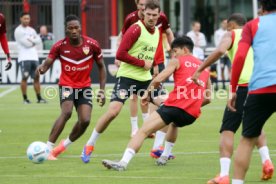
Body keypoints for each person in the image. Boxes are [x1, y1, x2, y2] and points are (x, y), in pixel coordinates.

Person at [101, 36, 211, 171]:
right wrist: (191, 104)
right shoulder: (205, 68)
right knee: (175, 123)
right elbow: (208, 98)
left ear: (185, 49)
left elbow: (159, 79)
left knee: (142, 131)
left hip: (174, 106)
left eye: (175, 51)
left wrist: (147, 94)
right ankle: (164, 156)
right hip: (191, 115)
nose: (174, 55)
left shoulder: (177, 61)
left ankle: (123, 163)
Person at [192, 13, 274, 184]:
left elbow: (221, 50)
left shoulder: (231, 34)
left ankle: (223, 175)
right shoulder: (257, 33)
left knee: (228, 129)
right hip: (261, 84)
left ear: (230, 25)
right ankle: (267, 161)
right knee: (254, 125)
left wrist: (200, 69)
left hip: (243, 87)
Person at [81, 0, 161, 164]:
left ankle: (160, 149)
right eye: (149, 14)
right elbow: (120, 54)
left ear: (159, 15)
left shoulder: (158, 32)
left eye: (155, 15)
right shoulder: (136, 28)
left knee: (168, 106)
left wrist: (154, 68)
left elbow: (152, 55)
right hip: (127, 78)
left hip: (145, 80)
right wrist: (142, 64)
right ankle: (89, 144)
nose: (151, 18)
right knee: (113, 112)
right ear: (143, 13)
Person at [37, 15, 107, 160]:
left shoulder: (92, 44)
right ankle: (47, 148)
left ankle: (63, 146)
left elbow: (101, 67)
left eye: (76, 27)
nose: (74, 30)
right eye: (71, 28)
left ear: (80, 28)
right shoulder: (59, 46)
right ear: (66, 30)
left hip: (84, 88)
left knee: (85, 121)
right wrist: (42, 69)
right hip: (67, 85)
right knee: (67, 112)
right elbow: (47, 63)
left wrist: (101, 91)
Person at [228, 1, 276, 183]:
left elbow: (239, 56)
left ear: (262, 9)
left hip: (260, 90)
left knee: (247, 140)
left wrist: (233, 89)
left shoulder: (253, 25)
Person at [14, 12, 46, 104]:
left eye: (28, 19)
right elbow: (27, 44)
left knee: (36, 77)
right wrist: (33, 41)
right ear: (21, 19)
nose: (27, 20)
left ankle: (39, 98)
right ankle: (25, 99)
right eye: (25, 18)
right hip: (24, 58)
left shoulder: (32, 30)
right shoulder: (18, 31)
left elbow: (39, 40)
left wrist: (32, 40)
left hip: (34, 57)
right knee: (25, 77)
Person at [214, 19, 231, 90]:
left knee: (230, 69)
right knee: (222, 69)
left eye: (226, 23)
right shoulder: (217, 32)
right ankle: (223, 84)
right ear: (221, 24)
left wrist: (228, 51)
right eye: (224, 23)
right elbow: (217, 43)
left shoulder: (230, 32)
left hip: (229, 54)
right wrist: (223, 51)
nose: (225, 25)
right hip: (221, 55)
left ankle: (231, 84)